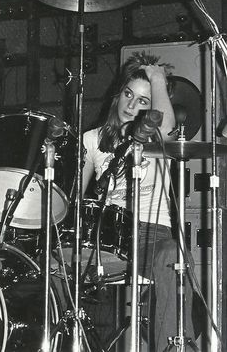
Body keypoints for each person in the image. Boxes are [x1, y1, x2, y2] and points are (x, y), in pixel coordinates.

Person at [82, 51, 196, 352]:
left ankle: (174, 347)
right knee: (55, 261)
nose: (131, 106)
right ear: (118, 95)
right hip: (106, 238)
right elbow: (70, 200)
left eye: (143, 101)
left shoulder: (157, 139)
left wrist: (158, 77)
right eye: (128, 95)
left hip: (152, 239)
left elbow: (166, 124)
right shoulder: (91, 140)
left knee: (175, 252)